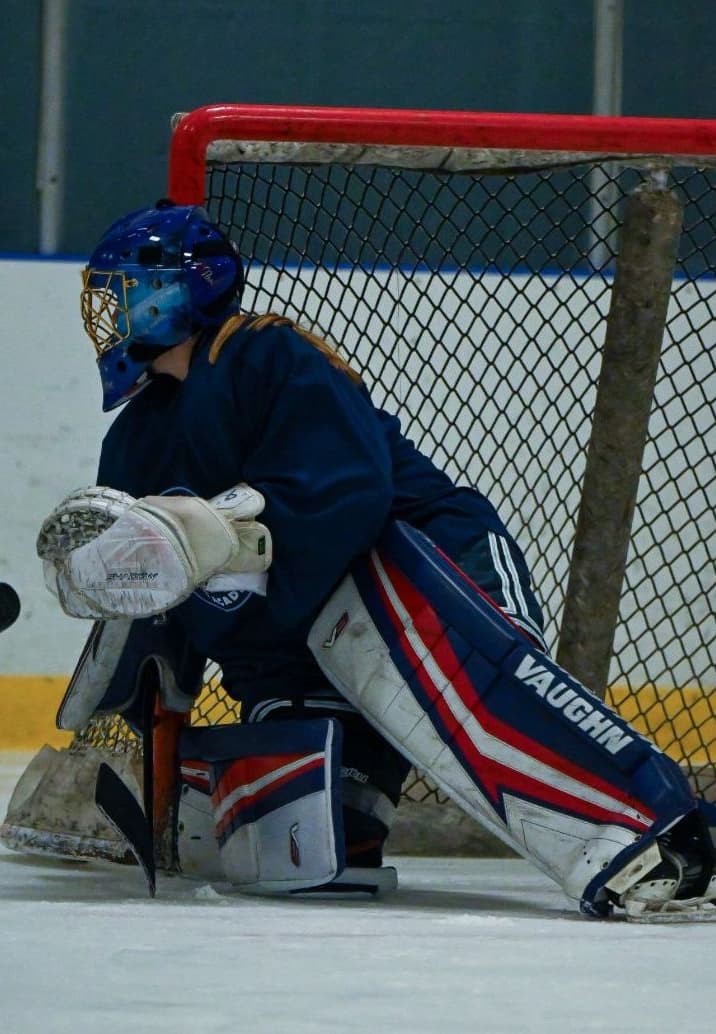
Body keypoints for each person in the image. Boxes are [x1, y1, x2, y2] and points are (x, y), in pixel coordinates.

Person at [41, 199, 716, 919]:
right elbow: (170, 589)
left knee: (467, 693)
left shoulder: (266, 354)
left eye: (125, 289)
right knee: (311, 832)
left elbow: (348, 496)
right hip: (305, 634)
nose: (109, 310)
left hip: (427, 563)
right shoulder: (135, 439)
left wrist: (221, 534)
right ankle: (311, 804)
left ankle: (654, 833)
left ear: (188, 287)